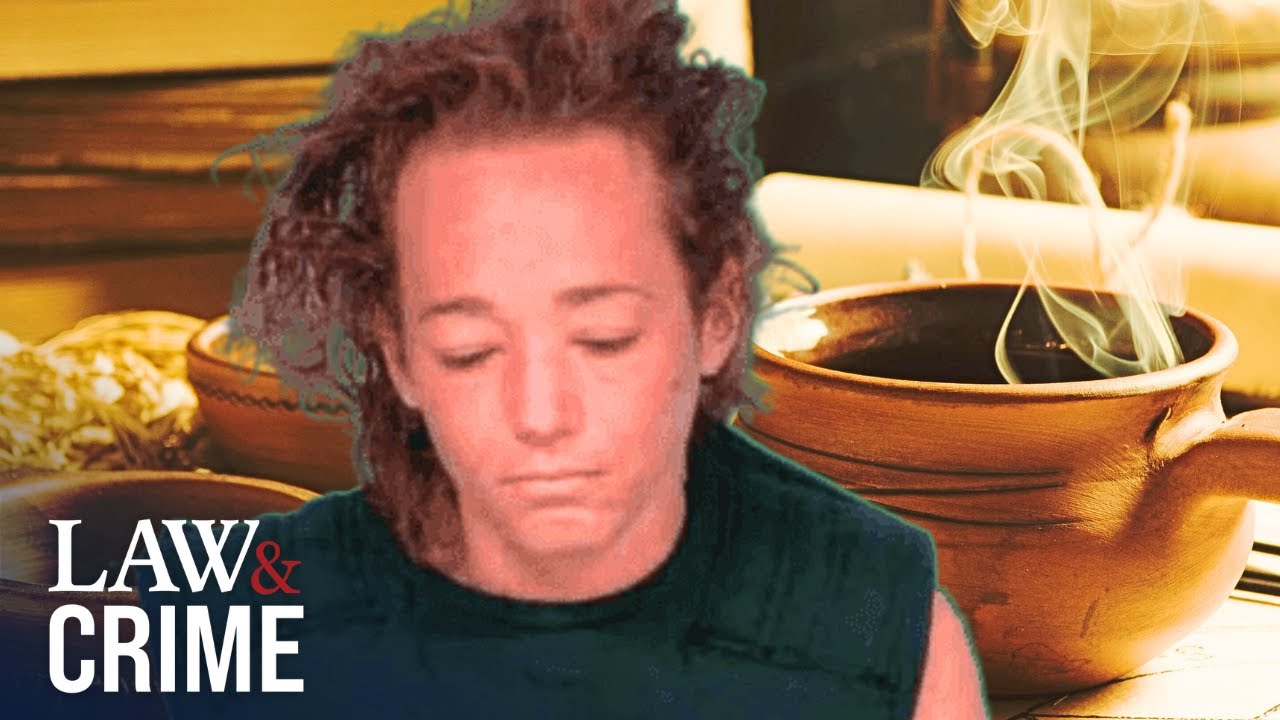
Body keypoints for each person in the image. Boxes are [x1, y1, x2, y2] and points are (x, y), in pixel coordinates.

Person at [136, 1, 988, 717]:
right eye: (469, 352)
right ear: (397, 354)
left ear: (717, 314)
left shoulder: (877, 631)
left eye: (605, 338)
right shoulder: (244, 627)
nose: (540, 414)